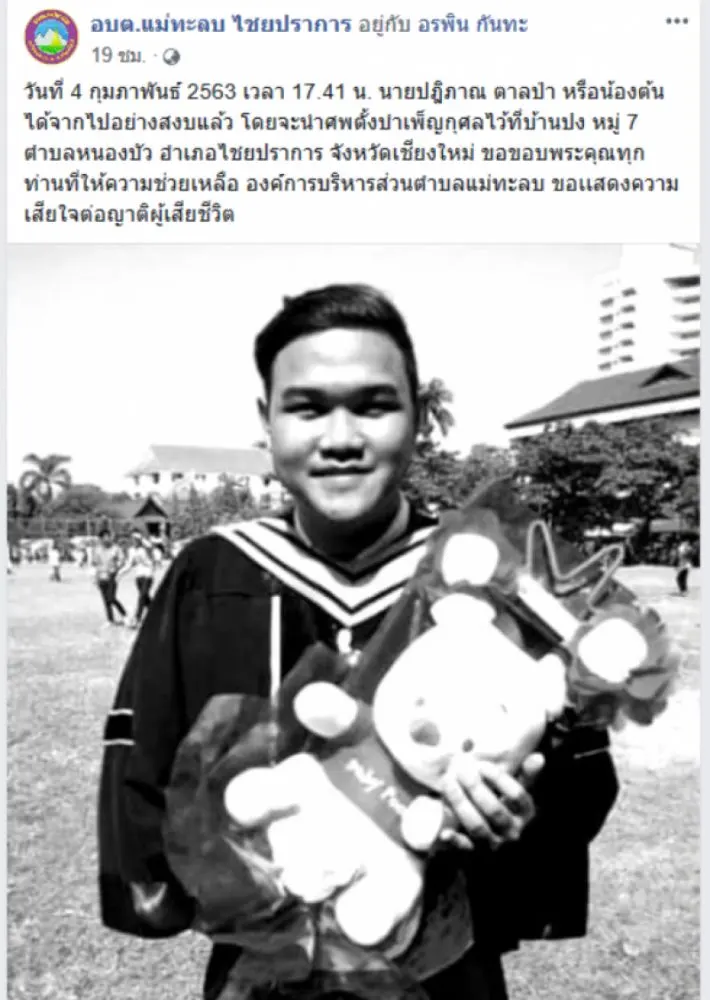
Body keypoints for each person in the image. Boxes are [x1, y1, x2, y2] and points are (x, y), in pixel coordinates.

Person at [98, 284, 619, 1000]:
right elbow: (145, 751)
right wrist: (191, 887)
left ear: (419, 417)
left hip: (444, 975)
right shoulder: (210, 572)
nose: (341, 438)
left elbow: (579, 775)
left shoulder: (495, 578)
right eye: (307, 407)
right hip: (260, 974)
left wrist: (519, 811)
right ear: (266, 420)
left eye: (374, 406)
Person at [119, 530, 157, 628]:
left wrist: (141, 538)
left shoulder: (145, 548)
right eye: (132, 539)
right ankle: (157, 613)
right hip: (138, 577)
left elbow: (151, 547)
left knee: (142, 596)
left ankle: (137, 619)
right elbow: (129, 564)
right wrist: (120, 573)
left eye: (136, 539)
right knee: (145, 598)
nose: (134, 541)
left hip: (148, 575)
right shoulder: (132, 550)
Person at [93, 528, 127, 627]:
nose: (106, 539)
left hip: (112, 575)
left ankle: (125, 615)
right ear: (101, 539)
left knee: (111, 598)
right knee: (105, 600)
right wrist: (95, 577)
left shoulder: (116, 548)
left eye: (107, 537)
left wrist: (116, 568)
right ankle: (110, 620)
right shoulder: (97, 550)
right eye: (103, 537)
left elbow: (122, 560)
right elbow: (95, 564)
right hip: (101, 576)